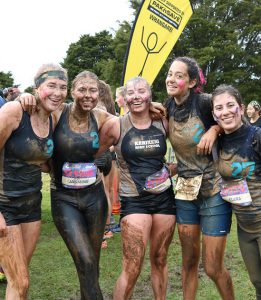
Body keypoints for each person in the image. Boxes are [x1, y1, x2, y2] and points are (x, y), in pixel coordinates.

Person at [97, 77, 176, 300]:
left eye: (141, 91)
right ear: (124, 99)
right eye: (131, 93)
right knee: (132, 267)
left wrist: (173, 170)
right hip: (134, 201)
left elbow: (183, 150)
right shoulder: (117, 125)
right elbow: (93, 152)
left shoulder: (162, 121)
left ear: (150, 94)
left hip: (164, 199)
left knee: (160, 259)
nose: (136, 96)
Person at [164, 57, 234, 300]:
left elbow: (234, 123)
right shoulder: (167, 106)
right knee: (188, 261)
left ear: (192, 81)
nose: (171, 79)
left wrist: (214, 129)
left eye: (178, 75)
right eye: (169, 74)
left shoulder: (205, 103)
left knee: (213, 267)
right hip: (184, 192)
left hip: (214, 191)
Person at [0, 63, 68, 299]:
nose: (58, 92)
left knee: (19, 281)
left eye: (63, 87)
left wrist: (146, 106)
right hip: (4, 205)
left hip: (32, 206)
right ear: (38, 87)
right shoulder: (14, 112)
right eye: (51, 86)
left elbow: (92, 110)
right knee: (20, 282)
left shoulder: (54, 117)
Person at [212, 84, 261, 300]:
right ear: (214, 114)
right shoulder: (218, 143)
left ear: (241, 108)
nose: (226, 112)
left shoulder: (256, 136)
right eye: (219, 108)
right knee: (258, 282)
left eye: (231, 105)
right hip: (245, 228)